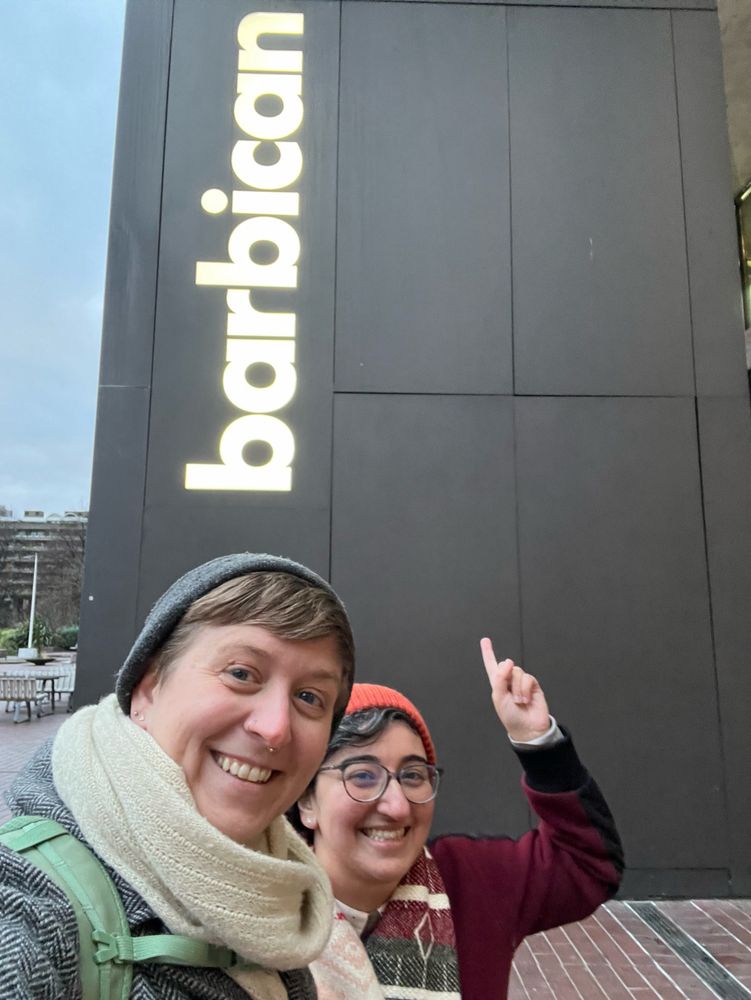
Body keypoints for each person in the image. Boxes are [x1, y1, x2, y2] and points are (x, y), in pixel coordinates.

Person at [0, 552, 355, 1000]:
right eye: (241, 673)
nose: (275, 727)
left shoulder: (279, 897)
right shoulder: (30, 901)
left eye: (309, 697)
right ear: (147, 689)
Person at [294, 637, 623, 1000]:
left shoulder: (471, 880)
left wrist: (537, 741)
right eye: (363, 776)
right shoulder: (257, 907)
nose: (397, 806)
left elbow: (587, 865)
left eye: (413, 776)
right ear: (307, 801)